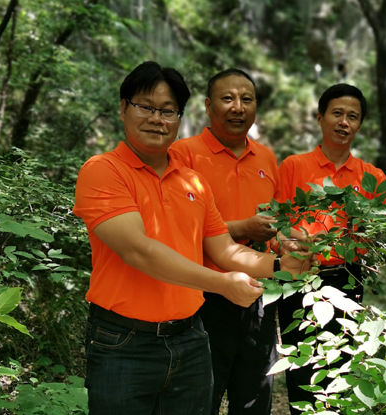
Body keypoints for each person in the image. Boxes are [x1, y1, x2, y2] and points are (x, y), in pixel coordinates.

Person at [73, 62, 312, 415]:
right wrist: (222, 284)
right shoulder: (103, 171)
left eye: (167, 110)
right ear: (124, 108)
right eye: (145, 107)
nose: (157, 119)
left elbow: (225, 249)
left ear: (179, 117)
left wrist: (281, 265)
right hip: (124, 341)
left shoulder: (192, 182)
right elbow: (139, 251)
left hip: (190, 338)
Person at [276, 83, 386, 415]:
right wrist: (290, 240)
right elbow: (278, 221)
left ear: (359, 125)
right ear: (320, 117)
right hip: (299, 278)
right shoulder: (293, 166)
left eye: (353, 116)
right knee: (303, 371)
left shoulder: (368, 175)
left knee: (341, 369)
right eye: (337, 113)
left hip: (348, 278)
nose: (344, 122)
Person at [170, 68, 299, 415]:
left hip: (260, 293)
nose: (237, 107)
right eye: (227, 98)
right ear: (208, 105)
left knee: (255, 395)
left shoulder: (266, 157)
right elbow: (178, 227)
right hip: (204, 294)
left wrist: (284, 244)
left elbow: (273, 225)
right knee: (200, 398)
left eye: (247, 99)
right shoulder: (183, 153)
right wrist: (243, 227)